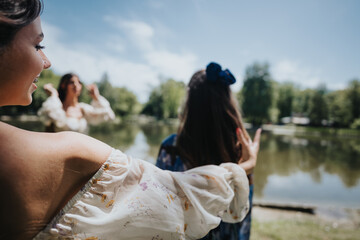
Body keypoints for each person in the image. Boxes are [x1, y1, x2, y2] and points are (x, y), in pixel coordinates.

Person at [0, 1, 260, 239]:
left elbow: (107, 114)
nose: (47, 62)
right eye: (38, 45)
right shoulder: (68, 150)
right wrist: (244, 166)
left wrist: (96, 97)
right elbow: (177, 196)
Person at [156, 62, 262, 240]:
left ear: (190, 103)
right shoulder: (239, 149)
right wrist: (248, 169)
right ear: (228, 104)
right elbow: (242, 213)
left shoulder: (171, 148)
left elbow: (159, 205)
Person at [38, 73, 115, 133]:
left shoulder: (83, 109)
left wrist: (96, 97)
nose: (76, 85)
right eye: (71, 82)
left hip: (83, 152)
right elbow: (46, 116)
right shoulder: (57, 107)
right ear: (63, 85)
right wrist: (54, 95)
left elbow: (109, 116)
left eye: (79, 82)